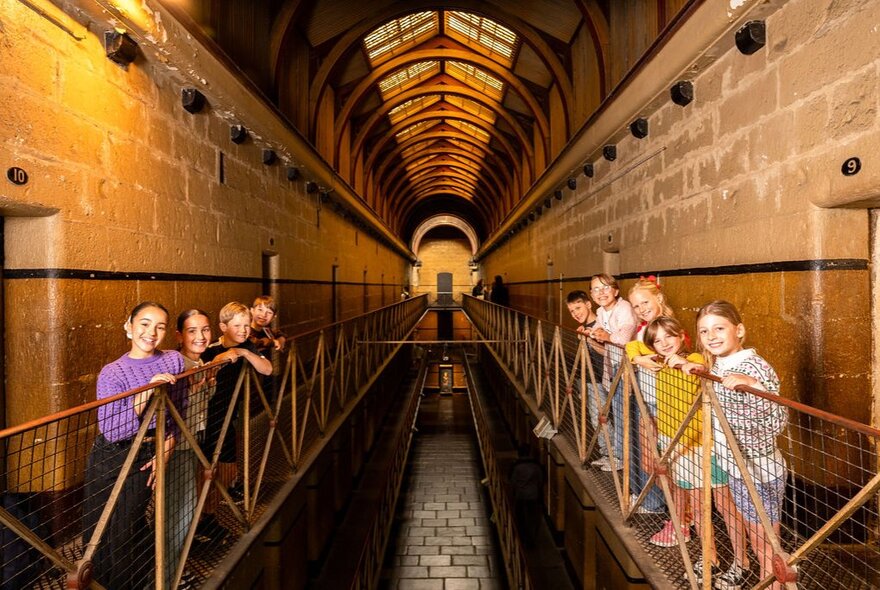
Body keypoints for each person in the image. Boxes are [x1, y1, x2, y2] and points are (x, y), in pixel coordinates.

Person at [682, 300, 787, 589]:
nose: (711, 336)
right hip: (737, 466)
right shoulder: (719, 362)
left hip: (759, 469)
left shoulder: (753, 366)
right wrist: (689, 363)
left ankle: (776, 585)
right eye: (704, 331)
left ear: (739, 330)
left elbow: (778, 420)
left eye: (719, 328)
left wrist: (754, 386)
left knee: (766, 542)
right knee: (759, 538)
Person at [82, 301, 185, 590]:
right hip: (110, 454)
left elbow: (178, 410)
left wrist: (167, 448)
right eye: (144, 323)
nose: (151, 332)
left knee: (127, 528)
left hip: (144, 452)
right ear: (128, 326)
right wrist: (147, 390)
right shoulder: (112, 372)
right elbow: (114, 430)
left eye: (160, 326)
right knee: (97, 529)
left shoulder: (173, 360)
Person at [644, 317, 726, 568]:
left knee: (714, 506)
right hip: (674, 442)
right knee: (698, 504)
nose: (664, 343)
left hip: (697, 446)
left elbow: (700, 368)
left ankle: (717, 558)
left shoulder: (693, 360)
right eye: (657, 341)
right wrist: (639, 356)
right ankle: (709, 553)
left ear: (682, 336)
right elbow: (631, 347)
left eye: (669, 336)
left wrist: (684, 362)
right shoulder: (660, 365)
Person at [197, 302, 273, 541]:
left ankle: (208, 513)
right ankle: (201, 519)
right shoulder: (209, 349)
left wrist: (243, 353)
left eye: (245, 325)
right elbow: (203, 374)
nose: (244, 330)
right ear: (223, 327)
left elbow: (267, 369)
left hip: (227, 416)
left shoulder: (246, 346)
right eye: (237, 326)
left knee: (228, 469)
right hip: (206, 416)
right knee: (206, 469)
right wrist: (222, 357)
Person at [165, 309, 215, 586]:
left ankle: (172, 573)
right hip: (177, 449)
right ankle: (167, 579)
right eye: (192, 331)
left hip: (191, 445)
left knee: (181, 514)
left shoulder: (200, 364)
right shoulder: (177, 365)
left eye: (205, 330)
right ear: (179, 335)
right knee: (179, 516)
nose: (200, 336)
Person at [624, 276, 673, 514]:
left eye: (645, 303)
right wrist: (636, 356)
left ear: (659, 298)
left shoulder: (664, 327)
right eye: (636, 306)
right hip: (648, 398)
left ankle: (674, 512)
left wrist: (638, 356)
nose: (641, 309)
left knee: (662, 461)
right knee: (649, 458)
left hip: (661, 402)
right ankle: (655, 502)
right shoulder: (646, 328)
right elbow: (631, 347)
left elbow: (663, 355)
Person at [587, 274, 638, 472]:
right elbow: (598, 330)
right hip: (615, 367)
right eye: (596, 289)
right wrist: (593, 333)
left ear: (616, 291)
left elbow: (625, 336)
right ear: (591, 294)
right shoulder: (601, 311)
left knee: (624, 417)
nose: (601, 292)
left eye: (606, 288)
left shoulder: (623, 308)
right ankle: (618, 456)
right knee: (618, 415)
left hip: (627, 370)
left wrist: (606, 336)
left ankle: (623, 460)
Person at [566, 290, 607, 464]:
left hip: (603, 377)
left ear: (588, 304)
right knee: (597, 416)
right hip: (591, 378)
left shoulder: (601, 323)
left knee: (602, 417)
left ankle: (613, 455)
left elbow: (608, 352)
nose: (576, 313)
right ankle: (608, 453)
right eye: (572, 311)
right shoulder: (585, 327)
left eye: (578, 307)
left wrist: (589, 339)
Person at [509, 445, 542, 547]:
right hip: (533, 495)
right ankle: (531, 539)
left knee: (521, 518)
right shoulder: (536, 466)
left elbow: (513, 481)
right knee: (532, 518)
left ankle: (522, 538)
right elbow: (540, 480)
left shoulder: (517, 466)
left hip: (520, 495)